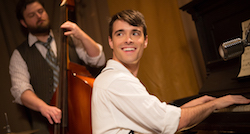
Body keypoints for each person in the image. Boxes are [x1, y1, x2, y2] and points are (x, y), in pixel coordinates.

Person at [91, 9, 250, 134]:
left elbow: (155, 118)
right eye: (120, 33)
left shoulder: (116, 78)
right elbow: (165, 123)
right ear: (110, 42)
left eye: (135, 33)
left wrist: (187, 109)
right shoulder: (117, 81)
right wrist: (215, 103)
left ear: (145, 41)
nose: (128, 39)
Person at [9, 0, 105, 133]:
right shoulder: (19, 54)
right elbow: (20, 90)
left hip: (82, 117)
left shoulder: (69, 37)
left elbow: (98, 60)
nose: (39, 16)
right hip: (47, 126)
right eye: (31, 15)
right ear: (23, 23)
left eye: (40, 11)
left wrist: (81, 34)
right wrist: (43, 107)